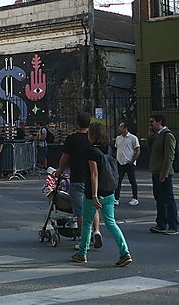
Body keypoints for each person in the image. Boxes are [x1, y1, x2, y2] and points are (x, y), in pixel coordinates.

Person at [71, 123, 132, 267]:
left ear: (91, 135)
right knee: (111, 223)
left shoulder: (90, 151)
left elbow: (94, 173)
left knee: (86, 223)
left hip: (95, 193)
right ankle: (125, 252)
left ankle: (82, 252)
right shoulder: (109, 149)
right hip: (109, 192)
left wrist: (94, 195)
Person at [55, 111, 102, 249]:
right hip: (92, 177)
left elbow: (64, 158)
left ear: (77, 123)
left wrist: (60, 171)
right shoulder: (92, 139)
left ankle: (84, 238)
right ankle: (97, 230)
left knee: (80, 211)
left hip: (77, 177)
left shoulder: (72, 139)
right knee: (94, 206)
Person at [148, 114, 179, 235]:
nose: (150, 124)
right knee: (159, 199)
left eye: (152, 122)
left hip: (163, 172)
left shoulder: (167, 135)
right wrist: (150, 137)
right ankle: (161, 223)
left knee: (168, 199)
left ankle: (173, 225)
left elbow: (169, 156)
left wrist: (164, 173)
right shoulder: (157, 135)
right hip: (156, 171)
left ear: (159, 122)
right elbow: (151, 150)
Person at [114, 122, 140, 206]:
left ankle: (135, 198)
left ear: (125, 128)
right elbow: (116, 149)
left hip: (129, 163)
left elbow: (137, 150)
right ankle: (116, 198)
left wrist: (132, 161)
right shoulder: (118, 138)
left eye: (121, 127)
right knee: (118, 181)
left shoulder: (133, 138)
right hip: (120, 162)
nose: (119, 129)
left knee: (132, 180)